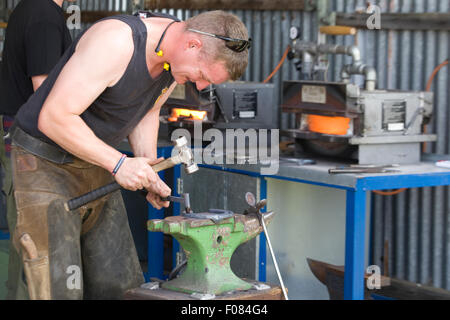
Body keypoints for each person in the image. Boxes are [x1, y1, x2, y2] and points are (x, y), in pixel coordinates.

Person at [9, 10, 250, 299]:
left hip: (97, 161)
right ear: (193, 44)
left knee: (120, 283)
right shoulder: (116, 42)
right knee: (59, 286)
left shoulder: (171, 58)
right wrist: (119, 163)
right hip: (45, 163)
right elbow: (53, 117)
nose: (199, 86)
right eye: (201, 75)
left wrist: (148, 168)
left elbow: (147, 110)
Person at [0, 0, 74, 300]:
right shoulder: (44, 15)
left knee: (25, 223)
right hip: (29, 139)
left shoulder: (31, 7)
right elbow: (42, 88)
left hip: (22, 132)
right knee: (31, 226)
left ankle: (21, 292)